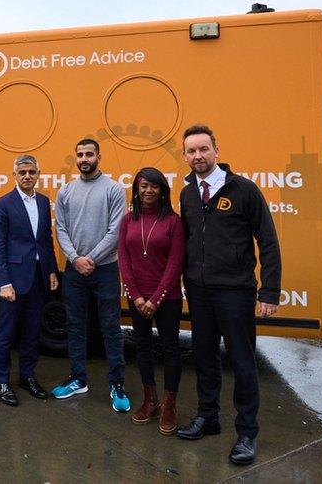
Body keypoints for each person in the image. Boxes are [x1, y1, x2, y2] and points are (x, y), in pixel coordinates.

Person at [176, 124, 282, 467]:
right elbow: (189, 240)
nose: (198, 156)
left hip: (235, 291)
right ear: (185, 155)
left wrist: (269, 290)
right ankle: (208, 417)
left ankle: (247, 432)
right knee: (204, 358)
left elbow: (267, 241)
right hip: (199, 290)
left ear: (216, 151)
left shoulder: (244, 190)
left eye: (203, 149)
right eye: (191, 151)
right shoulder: (188, 193)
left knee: (241, 362)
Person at [51, 139, 130, 413]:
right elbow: (60, 229)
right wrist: (75, 259)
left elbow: (116, 231)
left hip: (105, 269)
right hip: (74, 270)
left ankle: (117, 384)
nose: (84, 158)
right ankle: (77, 379)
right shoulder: (66, 192)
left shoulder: (113, 189)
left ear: (99, 156)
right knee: (75, 325)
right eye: (80, 154)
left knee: (110, 327)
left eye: (89, 154)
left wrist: (91, 259)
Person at [118, 167, 185, 434]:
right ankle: (150, 400)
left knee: (170, 348)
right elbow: (124, 259)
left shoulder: (173, 221)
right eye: (143, 186)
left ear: (162, 190)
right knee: (143, 347)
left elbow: (175, 263)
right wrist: (136, 296)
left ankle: (169, 404)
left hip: (166, 298)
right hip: (137, 297)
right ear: (136, 189)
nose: (148, 191)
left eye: (154, 186)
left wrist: (156, 299)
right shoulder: (127, 220)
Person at [0, 155, 59, 406]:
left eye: (31, 172)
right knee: (6, 333)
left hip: (39, 278)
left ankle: (27, 376)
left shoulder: (43, 201)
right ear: (15, 175)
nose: (27, 176)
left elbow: (46, 239)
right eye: (23, 172)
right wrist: (3, 282)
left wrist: (51, 270)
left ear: (38, 173)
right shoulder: (3, 204)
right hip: (14, 281)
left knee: (32, 332)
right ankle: (2, 381)